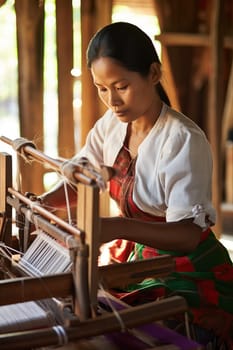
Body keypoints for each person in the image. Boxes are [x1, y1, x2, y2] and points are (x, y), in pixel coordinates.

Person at [39, 22, 233, 348]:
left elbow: (187, 235)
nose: (111, 101)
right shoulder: (110, 127)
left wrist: (116, 227)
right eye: (101, 89)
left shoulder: (183, 140)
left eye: (121, 86)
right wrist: (44, 203)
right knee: (80, 304)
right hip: (137, 258)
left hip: (186, 269)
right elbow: (83, 180)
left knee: (132, 328)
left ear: (154, 74)